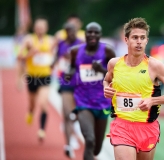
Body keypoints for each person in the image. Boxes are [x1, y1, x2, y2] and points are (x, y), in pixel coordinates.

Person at [103, 18, 164, 160]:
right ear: (126, 40)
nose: (139, 41)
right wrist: (105, 88)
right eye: (135, 37)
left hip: (147, 127)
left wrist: (153, 100)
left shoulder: (155, 66)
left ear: (146, 40)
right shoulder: (114, 64)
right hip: (122, 125)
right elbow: (106, 80)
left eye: (142, 38)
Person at [68, 22, 115, 160]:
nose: (92, 35)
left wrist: (101, 70)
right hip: (83, 101)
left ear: (100, 35)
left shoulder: (108, 51)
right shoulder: (75, 51)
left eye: (96, 32)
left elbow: (118, 73)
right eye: (90, 32)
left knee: (96, 148)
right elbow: (71, 67)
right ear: (85, 34)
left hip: (102, 103)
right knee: (89, 139)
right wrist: (69, 73)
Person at [18, 17, 55, 141]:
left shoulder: (50, 40)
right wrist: (31, 53)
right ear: (34, 28)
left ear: (46, 28)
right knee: (32, 105)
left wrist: (53, 64)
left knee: (43, 103)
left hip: (45, 77)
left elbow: (56, 55)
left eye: (42, 27)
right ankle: (30, 112)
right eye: (38, 27)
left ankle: (41, 130)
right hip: (32, 77)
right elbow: (19, 57)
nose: (40, 29)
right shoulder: (29, 40)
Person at [53, 23, 83, 158]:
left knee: (77, 114)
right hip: (65, 82)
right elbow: (56, 57)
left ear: (76, 31)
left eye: (73, 31)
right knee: (66, 113)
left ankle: (74, 123)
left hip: (80, 83)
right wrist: (52, 64)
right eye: (68, 31)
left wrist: (74, 60)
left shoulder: (81, 43)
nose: (70, 33)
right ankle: (68, 145)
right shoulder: (61, 44)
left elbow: (87, 60)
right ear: (65, 32)